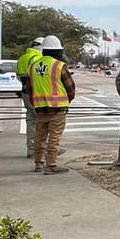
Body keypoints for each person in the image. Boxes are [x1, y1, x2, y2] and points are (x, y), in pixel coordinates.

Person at [31, 35, 75, 173]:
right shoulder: (59, 66)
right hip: (57, 108)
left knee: (40, 136)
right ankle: (51, 165)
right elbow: (70, 88)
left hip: (40, 108)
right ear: (58, 51)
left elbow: (29, 88)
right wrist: (67, 101)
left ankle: (38, 163)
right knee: (54, 137)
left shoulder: (34, 66)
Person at [16, 37, 46, 158]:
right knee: (43, 122)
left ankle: (32, 149)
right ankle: (44, 150)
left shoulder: (22, 58)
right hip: (35, 93)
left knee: (31, 121)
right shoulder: (37, 58)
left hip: (25, 92)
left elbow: (18, 76)